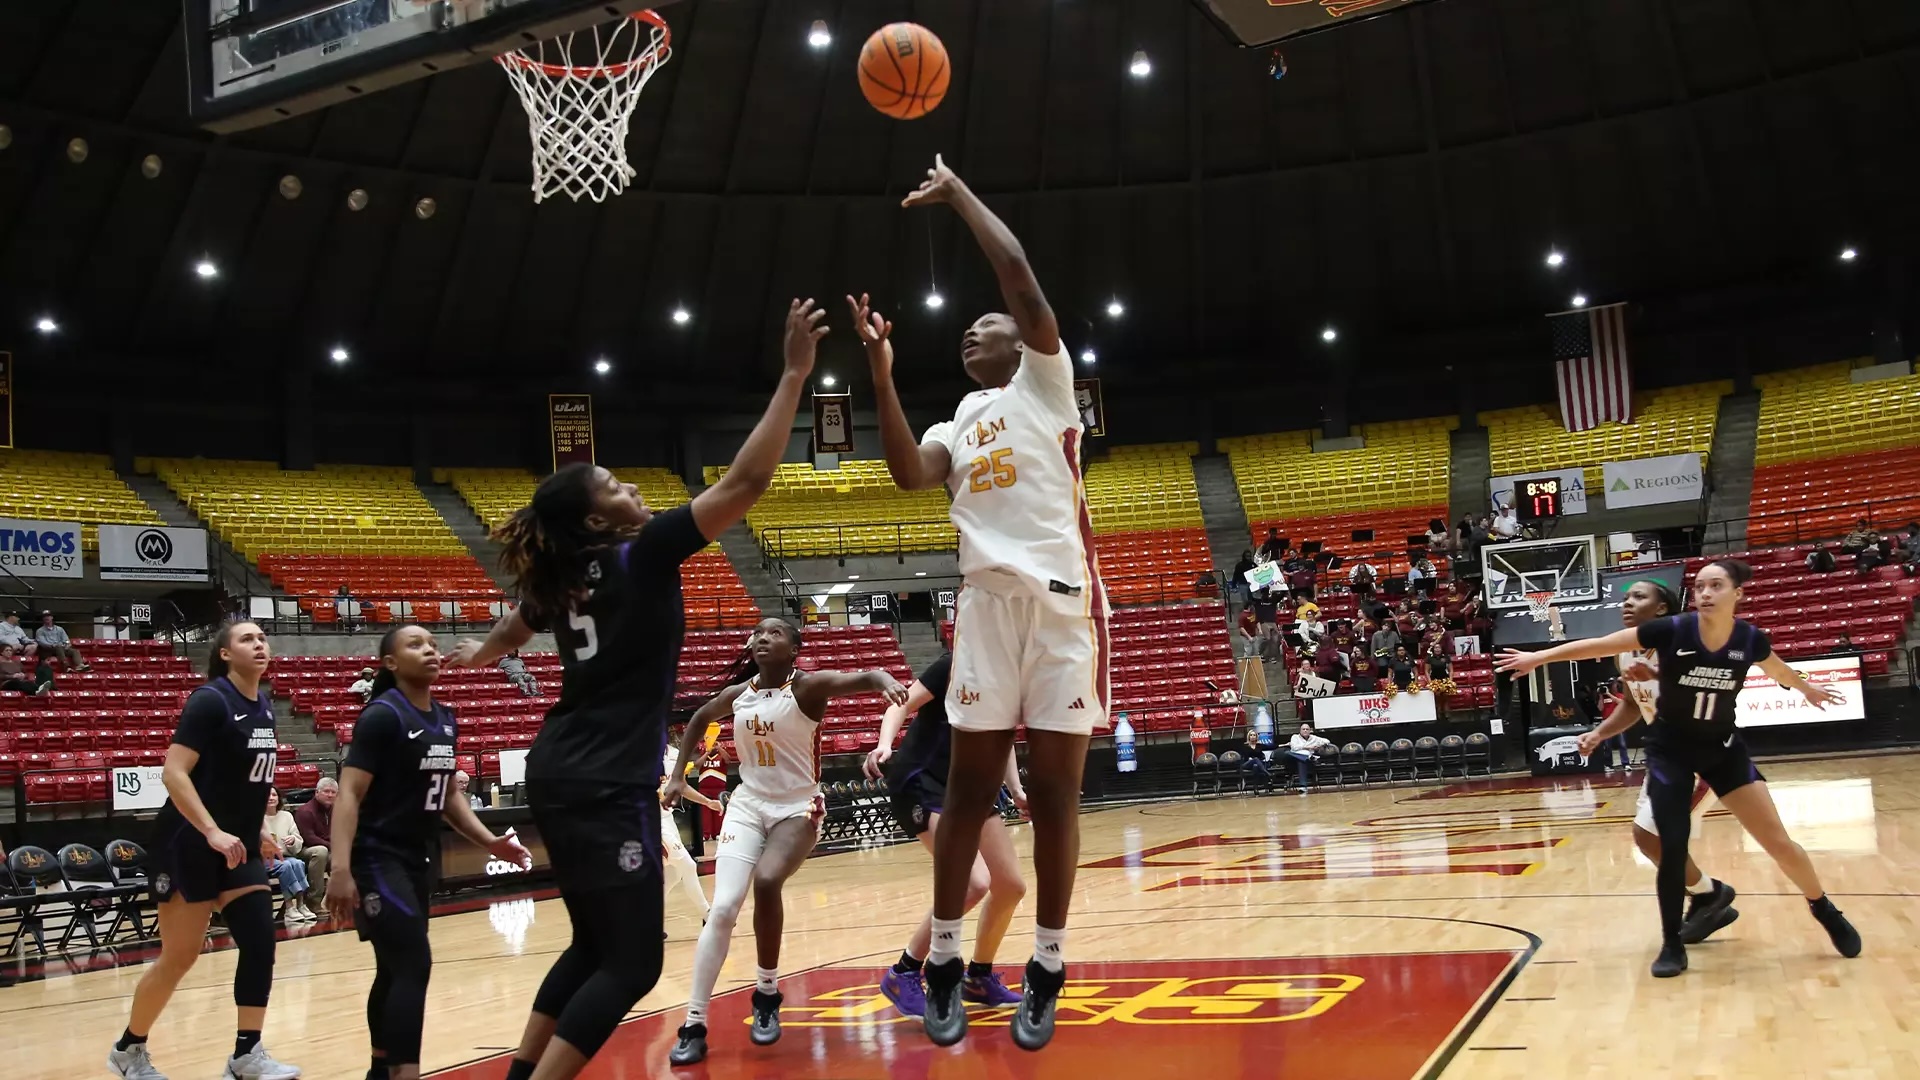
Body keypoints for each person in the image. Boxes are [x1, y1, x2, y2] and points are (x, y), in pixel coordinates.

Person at [442, 298, 825, 1080]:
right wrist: (792, 374)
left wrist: (482, 653)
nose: (632, 490)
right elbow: (749, 478)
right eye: (615, 486)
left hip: (558, 767)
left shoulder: (559, 579)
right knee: (633, 963)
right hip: (604, 777)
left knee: (591, 945)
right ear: (596, 522)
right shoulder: (641, 552)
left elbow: (518, 623)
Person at [852, 152, 1109, 1051]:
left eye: (987, 325)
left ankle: (1048, 965)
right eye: (965, 331)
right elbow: (905, 473)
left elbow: (1019, 276)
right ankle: (944, 961)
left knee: (1057, 796)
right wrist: (881, 371)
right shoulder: (955, 420)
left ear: (1022, 342)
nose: (973, 332)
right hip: (986, 613)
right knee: (965, 794)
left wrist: (959, 194)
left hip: (1063, 610)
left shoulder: (1046, 383)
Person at [1497, 559, 1862, 978]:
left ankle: (1823, 907)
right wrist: (1540, 657)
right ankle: (1673, 941)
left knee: (1778, 842)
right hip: (1671, 751)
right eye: (1700, 586)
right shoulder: (1669, 632)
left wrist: (1807, 688)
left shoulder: (1748, 639)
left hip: (1722, 750)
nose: (1705, 593)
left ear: (1737, 593)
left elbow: (1777, 669)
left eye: (1716, 585)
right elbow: (1601, 646)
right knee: (1667, 845)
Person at [661, 620, 908, 1064]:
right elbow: (698, 718)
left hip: (798, 806)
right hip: (748, 804)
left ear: (794, 649)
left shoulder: (808, 688)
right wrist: (679, 776)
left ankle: (767, 992)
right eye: (758, 633)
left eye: (774, 633)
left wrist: (886, 680)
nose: (762, 638)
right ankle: (694, 1022)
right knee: (723, 909)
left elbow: (865, 676)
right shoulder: (739, 694)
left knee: (767, 880)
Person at [326, 624, 531, 1080]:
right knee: (413, 964)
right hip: (376, 857)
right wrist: (340, 868)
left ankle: (380, 1070)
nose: (430, 650)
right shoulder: (382, 716)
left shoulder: (444, 718)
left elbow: (449, 795)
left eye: (434, 644)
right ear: (391, 662)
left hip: (417, 856)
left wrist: (489, 840)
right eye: (415, 644)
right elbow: (349, 794)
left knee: (392, 968)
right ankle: (405, 1073)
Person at [108, 621, 302, 1080]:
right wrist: (212, 830)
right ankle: (128, 1048)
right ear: (225, 654)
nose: (259, 644)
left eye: (262, 638)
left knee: (260, 940)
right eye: (246, 639)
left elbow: (247, 781)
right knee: (180, 957)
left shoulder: (264, 706)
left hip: (237, 845)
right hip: (188, 842)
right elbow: (173, 773)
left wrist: (258, 828)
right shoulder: (210, 700)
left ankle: (246, 1054)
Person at [1573, 579, 1739, 946]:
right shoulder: (1626, 652)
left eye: (1638, 596)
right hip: (1667, 755)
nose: (1627, 603)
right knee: (1651, 840)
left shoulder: (1686, 643)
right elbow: (1633, 705)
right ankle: (1708, 896)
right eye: (1624, 597)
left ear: (1661, 607)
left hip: (1702, 753)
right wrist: (1599, 733)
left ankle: (1710, 895)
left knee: (1650, 835)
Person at [865, 652, 1028, 1021]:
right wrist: (885, 744)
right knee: (973, 883)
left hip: (970, 787)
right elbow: (900, 704)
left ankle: (979, 978)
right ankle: (904, 972)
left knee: (1010, 885)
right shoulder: (955, 664)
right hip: (923, 781)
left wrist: (1017, 790)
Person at [660, 732, 720, 933]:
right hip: (651, 820)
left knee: (675, 872)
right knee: (688, 864)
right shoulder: (641, 756)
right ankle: (707, 914)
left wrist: (707, 802)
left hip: (667, 819)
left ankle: (650, 918)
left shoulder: (674, 754)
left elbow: (682, 786)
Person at [262, 788, 317, 923]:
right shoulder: (257, 817)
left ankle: (301, 905)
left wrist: (293, 841)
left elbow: (298, 840)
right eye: (268, 795)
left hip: (285, 855)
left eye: (274, 795)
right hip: (264, 859)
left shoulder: (287, 816)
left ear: (279, 798)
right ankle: (289, 907)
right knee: (285, 866)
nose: (271, 798)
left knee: (297, 863)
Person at [295, 776, 337, 903]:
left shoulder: (338, 810)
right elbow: (309, 838)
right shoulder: (305, 811)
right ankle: (314, 900)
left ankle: (346, 899)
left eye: (333, 792)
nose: (330, 795)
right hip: (306, 850)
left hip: (329, 849)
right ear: (317, 792)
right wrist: (334, 847)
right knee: (321, 851)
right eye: (326, 791)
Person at [1283, 724, 1331, 791]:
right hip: (1293, 759)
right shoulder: (1295, 737)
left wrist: (1319, 746)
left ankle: (1303, 786)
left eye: (1307, 729)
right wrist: (1308, 747)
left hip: (1308, 762)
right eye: (1303, 729)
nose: (1305, 731)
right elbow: (1294, 747)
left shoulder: (1314, 738)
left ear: (1310, 731)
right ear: (1300, 730)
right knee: (1287, 753)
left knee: (1301, 761)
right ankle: (1307, 757)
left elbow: (1327, 741)